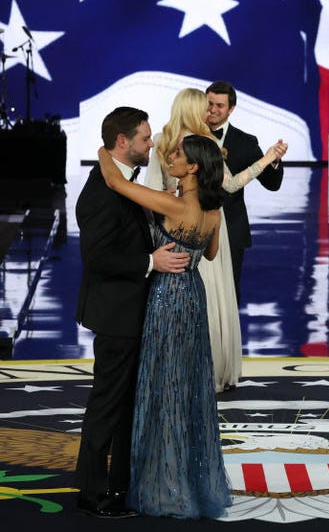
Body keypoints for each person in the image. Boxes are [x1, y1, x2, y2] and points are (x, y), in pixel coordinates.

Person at [98, 134, 232, 518]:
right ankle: (189, 480)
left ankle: (165, 487)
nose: (169, 156)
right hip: (193, 293)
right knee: (186, 389)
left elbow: (116, 183)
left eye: (177, 155)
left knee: (164, 390)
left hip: (167, 298)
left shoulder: (174, 205)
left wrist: (102, 151)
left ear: (193, 167)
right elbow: (209, 253)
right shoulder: (212, 210)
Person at [74, 107, 190, 518]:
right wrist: (149, 262)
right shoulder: (104, 191)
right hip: (116, 315)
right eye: (144, 138)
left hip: (132, 313)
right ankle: (92, 493)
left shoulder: (121, 183)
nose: (152, 144)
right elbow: (97, 256)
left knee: (124, 405)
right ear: (122, 142)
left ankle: (120, 486)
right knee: (107, 405)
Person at [146, 87, 286, 391]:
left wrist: (170, 200)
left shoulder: (167, 141)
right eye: (205, 106)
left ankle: (183, 373)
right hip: (203, 232)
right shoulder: (200, 143)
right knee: (209, 301)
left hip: (179, 232)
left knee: (185, 302)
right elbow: (231, 185)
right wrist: (266, 159)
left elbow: (152, 194)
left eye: (215, 106)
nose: (210, 112)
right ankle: (205, 373)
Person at [205, 80, 285, 306]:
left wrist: (275, 160)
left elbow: (272, 183)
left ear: (231, 109)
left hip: (231, 231)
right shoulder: (190, 135)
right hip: (195, 229)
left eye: (220, 105)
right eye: (209, 103)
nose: (212, 109)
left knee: (229, 295)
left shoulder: (246, 142)